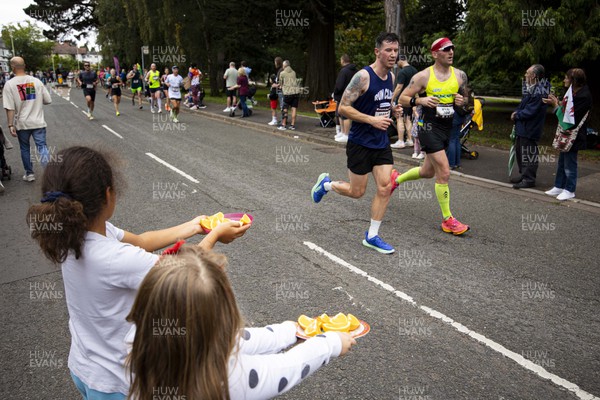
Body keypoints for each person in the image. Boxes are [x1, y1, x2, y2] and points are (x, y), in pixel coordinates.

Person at [26, 146, 250, 399]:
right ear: (108, 194)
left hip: (83, 367)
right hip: (117, 384)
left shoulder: (75, 233)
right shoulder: (114, 258)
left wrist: (195, 226)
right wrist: (216, 235)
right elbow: (186, 275)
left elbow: (142, 240)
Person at [126, 244, 355, 399]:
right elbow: (288, 367)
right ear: (225, 314)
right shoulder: (229, 379)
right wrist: (331, 344)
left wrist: (292, 331)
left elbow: (237, 340)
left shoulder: (138, 348)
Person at [311, 32, 402, 254]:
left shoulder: (391, 77)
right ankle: (326, 185)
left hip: (380, 143)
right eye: (388, 50)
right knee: (357, 192)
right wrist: (372, 119)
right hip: (360, 143)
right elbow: (342, 108)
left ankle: (372, 235)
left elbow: (383, 99)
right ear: (377, 52)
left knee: (385, 186)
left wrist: (392, 108)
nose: (393, 54)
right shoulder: (363, 77)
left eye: (396, 50)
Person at [395, 37, 470, 235]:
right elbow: (401, 98)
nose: (451, 52)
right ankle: (448, 219)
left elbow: (466, 101)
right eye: (446, 50)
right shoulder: (423, 77)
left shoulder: (460, 75)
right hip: (428, 127)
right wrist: (420, 100)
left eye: (452, 49)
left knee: (428, 171)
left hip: (447, 127)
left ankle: (396, 179)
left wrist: (462, 101)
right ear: (435, 54)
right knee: (444, 172)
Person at [543, 68, 593, 201]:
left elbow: (569, 118)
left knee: (570, 162)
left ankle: (570, 189)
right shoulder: (573, 92)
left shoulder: (584, 96)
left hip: (574, 135)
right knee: (562, 161)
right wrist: (557, 103)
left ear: (574, 81)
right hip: (567, 134)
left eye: (566, 78)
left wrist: (555, 106)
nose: (564, 80)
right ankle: (559, 186)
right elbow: (567, 108)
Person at [3, 56, 51, 182]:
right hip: (38, 122)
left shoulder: (10, 84)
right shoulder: (36, 81)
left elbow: (10, 107)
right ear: (24, 66)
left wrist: (10, 125)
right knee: (42, 147)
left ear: (12, 67)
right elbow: (48, 100)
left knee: (25, 148)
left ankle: (29, 174)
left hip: (22, 123)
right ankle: (48, 175)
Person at [510, 64, 550, 189]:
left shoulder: (540, 91)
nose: (525, 75)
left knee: (528, 153)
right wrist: (517, 112)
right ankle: (524, 175)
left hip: (530, 127)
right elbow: (523, 105)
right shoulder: (532, 87)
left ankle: (529, 179)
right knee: (520, 151)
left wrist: (517, 115)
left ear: (533, 76)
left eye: (527, 73)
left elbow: (531, 110)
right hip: (524, 127)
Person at [391, 55, 418, 149]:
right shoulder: (414, 70)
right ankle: (410, 140)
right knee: (408, 119)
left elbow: (399, 87)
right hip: (410, 99)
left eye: (396, 62)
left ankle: (401, 141)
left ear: (400, 61)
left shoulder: (402, 72)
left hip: (402, 99)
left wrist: (392, 98)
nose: (396, 64)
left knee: (399, 119)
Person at [333, 54, 358, 143]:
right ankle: (343, 133)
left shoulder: (343, 71)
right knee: (342, 113)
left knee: (344, 115)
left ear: (343, 60)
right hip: (353, 95)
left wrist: (335, 92)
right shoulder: (355, 71)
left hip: (343, 95)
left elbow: (339, 85)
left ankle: (345, 133)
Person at [278, 60, 301, 131]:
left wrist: (281, 86)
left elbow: (280, 83)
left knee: (285, 108)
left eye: (283, 65)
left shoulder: (282, 73)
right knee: (294, 108)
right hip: (296, 93)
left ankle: (283, 125)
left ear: (284, 66)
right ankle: (292, 125)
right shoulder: (294, 72)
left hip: (287, 93)